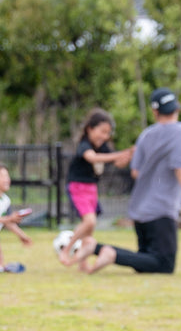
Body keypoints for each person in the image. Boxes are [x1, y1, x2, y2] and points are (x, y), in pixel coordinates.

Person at [74, 89, 181, 275]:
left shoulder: (146, 135)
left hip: (140, 210)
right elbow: (180, 166)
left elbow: (135, 172)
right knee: (164, 264)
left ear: (155, 112)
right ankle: (107, 252)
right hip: (161, 209)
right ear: (177, 110)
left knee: (146, 261)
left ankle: (97, 248)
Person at [57, 109, 133, 266]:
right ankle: (67, 249)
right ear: (90, 129)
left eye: (108, 133)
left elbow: (117, 163)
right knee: (89, 222)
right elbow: (92, 157)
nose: (105, 136)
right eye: (102, 132)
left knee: (89, 232)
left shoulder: (103, 146)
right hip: (78, 187)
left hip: (92, 188)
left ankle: (82, 264)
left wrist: (129, 154)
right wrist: (119, 154)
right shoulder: (84, 144)